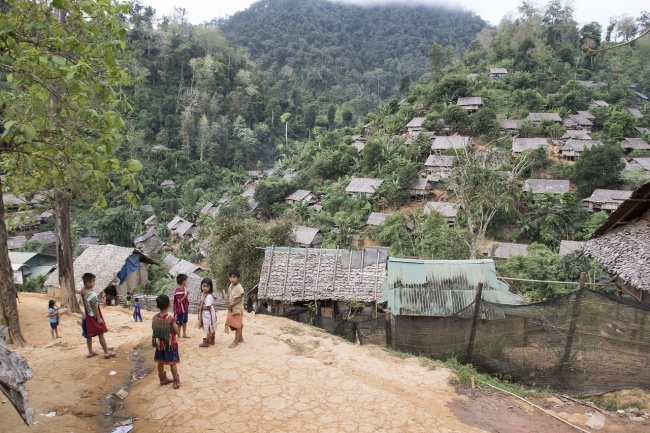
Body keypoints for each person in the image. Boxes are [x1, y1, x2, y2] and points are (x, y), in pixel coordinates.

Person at [80, 273, 115, 359]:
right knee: (101, 334)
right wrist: (98, 318)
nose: (94, 284)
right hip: (93, 317)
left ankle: (90, 351)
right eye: (93, 282)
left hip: (85, 316)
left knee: (88, 335)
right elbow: (95, 307)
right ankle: (106, 352)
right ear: (88, 283)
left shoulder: (82, 291)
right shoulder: (91, 294)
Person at [152, 294, 180, 389]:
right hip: (170, 345)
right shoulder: (170, 318)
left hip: (160, 344)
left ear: (157, 306)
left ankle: (162, 379)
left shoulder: (155, 317)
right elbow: (177, 331)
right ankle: (176, 380)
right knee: (172, 363)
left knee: (160, 362)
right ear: (169, 304)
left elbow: (154, 329)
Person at [226, 268, 245, 348]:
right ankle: (240, 338)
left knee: (237, 325)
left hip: (237, 309)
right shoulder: (231, 286)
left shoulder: (239, 287)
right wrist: (227, 298)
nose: (232, 279)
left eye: (234, 277)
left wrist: (232, 305)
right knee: (233, 323)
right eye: (231, 277)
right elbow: (229, 294)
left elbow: (240, 298)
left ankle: (236, 341)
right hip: (232, 308)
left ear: (238, 278)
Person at [198, 278, 217, 347]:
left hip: (208, 315)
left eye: (207, 286)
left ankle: (206, 342)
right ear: (201, 286)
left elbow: (208, 307)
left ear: (210, 287)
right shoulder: (203, 294)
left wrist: (201, 308)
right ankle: (212, 339)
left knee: (209, 327)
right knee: (212, 326)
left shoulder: (209, 296)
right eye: (204, 286)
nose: (205, 288)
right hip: (207, 314)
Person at [173, 274, 190, 339]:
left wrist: (187, 293)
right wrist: (185, 295)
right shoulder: (178, 291)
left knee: (185, 321)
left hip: (184, 308)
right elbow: (179, 301)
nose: (187, 281)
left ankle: (184, 334)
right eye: (186, 280)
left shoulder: (184, 289)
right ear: (183, 281)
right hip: (180, 310)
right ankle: (178, 336)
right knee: (179, 323)